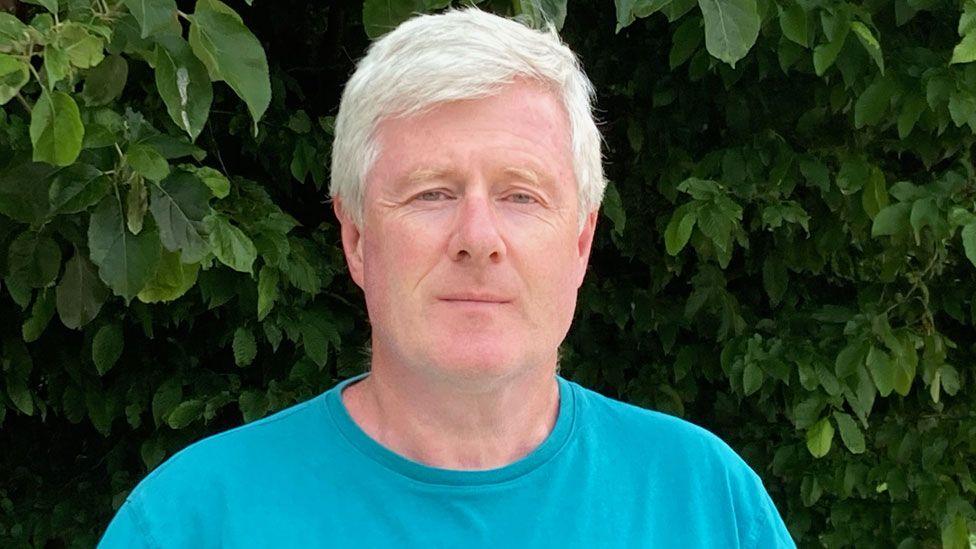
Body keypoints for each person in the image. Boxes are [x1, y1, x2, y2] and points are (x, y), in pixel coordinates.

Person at [99, 8, 795, 548]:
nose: (478, 239)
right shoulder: (195, 518)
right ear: (357, 237)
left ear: (581, 242)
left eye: (521, 196)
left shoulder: (703, 500)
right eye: (432, 193)